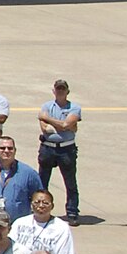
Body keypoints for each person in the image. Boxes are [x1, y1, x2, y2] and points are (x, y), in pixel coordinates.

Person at [36, 78, 82, 222]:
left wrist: (49, 120)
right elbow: (45, 129)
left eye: (63, 89)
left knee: (70, 182)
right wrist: (64, 125)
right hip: (47, 148)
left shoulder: (74, 108)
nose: (60, 91)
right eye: (58, 89)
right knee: (42, 182)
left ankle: (72, 212)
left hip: (66, 149)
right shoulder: (46, 106)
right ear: (53, 91)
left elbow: (67, 124)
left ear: (67, 91)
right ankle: (41, 210)